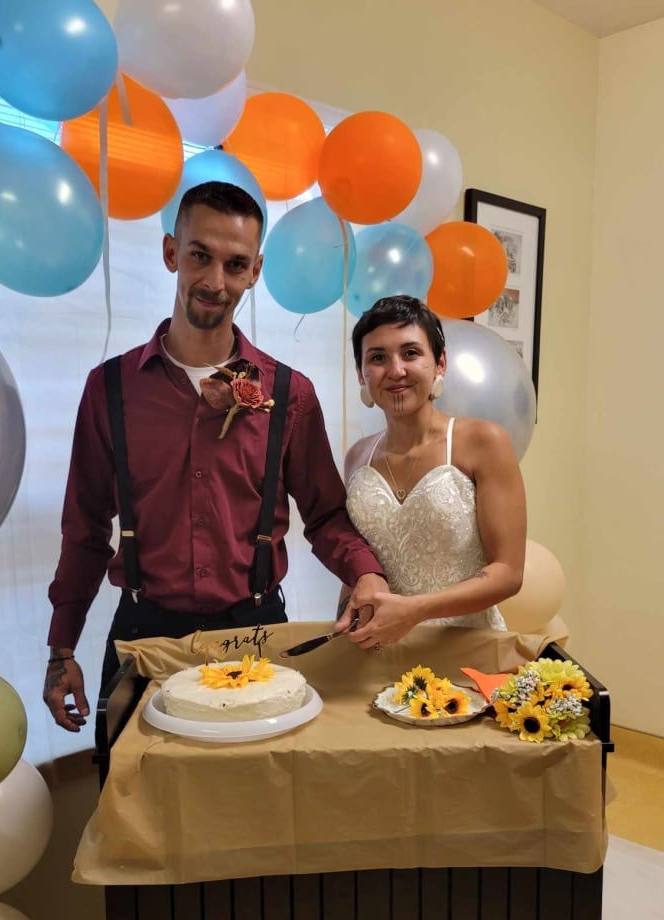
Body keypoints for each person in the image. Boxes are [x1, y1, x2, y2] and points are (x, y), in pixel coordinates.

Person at [44, 181, 387, 732]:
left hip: (255, 636)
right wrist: (62, 650)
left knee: (253, 810)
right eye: (200, 256)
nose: (214, 281)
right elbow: (84, 529)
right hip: (142, 636)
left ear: (255, 272)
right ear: (171, 252)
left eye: (235, 265)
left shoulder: (290, 394)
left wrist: (366, 574)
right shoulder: (108, 389)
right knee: (131, 804)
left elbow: (324, 515)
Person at [335, 295, 526, 651]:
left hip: (465, 649)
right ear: (362, 374)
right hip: (377, 651)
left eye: (410, 353)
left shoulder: (484, 442)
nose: (395, 370)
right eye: (377, 358)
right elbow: (360, 567)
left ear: (439, 363)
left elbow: (508, 573)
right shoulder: (358, 457)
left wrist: (414, 611)